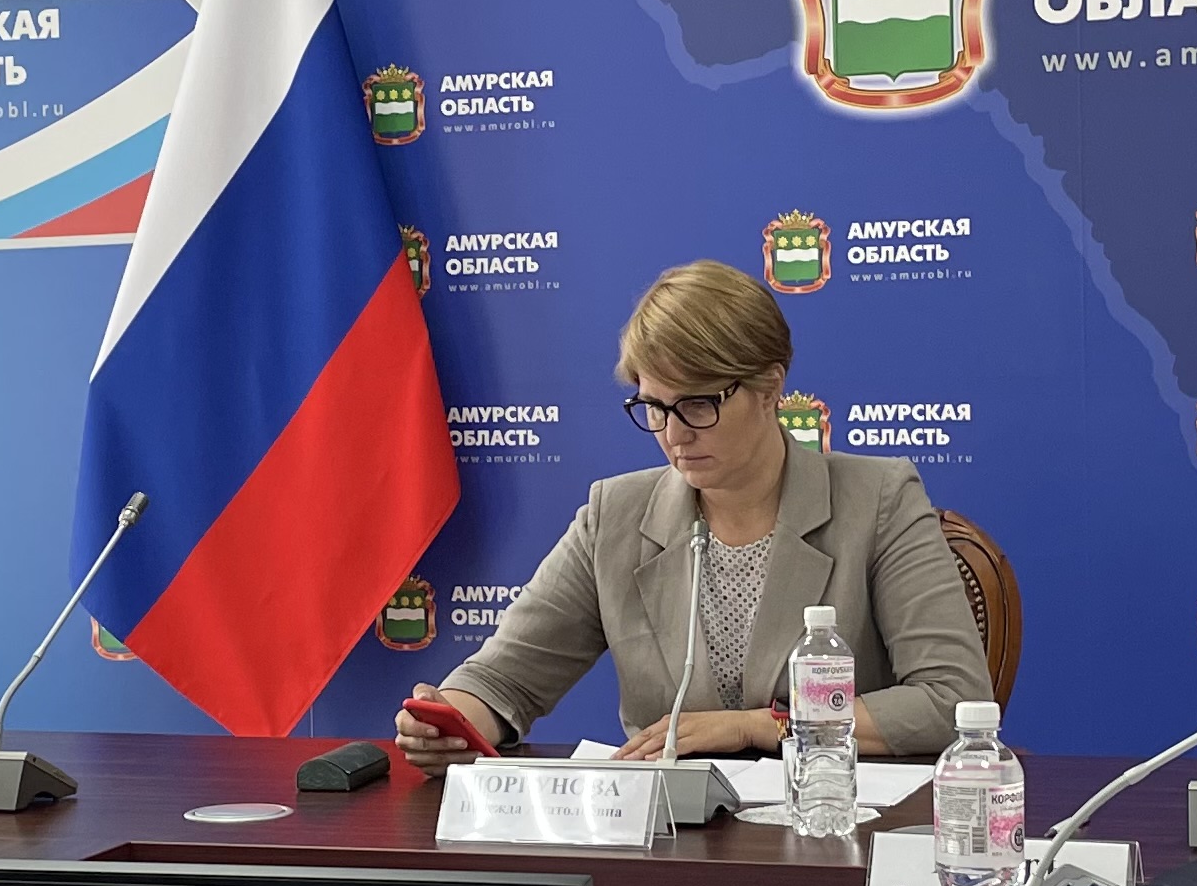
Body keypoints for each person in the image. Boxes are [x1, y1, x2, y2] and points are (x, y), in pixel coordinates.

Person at [395, 261, 991, 773]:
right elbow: (503, 679)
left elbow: (950, 701)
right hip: (669, 838)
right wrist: (452, 721)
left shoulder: (879, 498)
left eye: (698, 405)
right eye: (654, 407)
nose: (674, 434)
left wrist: (758, 726)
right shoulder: (615, 514)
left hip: (831, 825)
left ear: (769, 388)